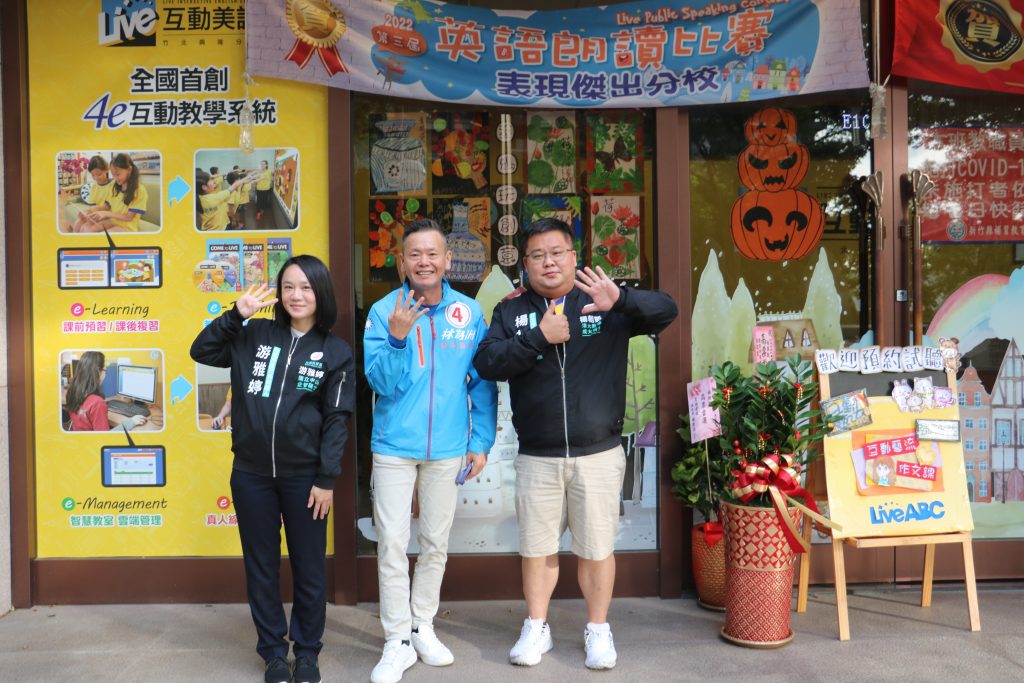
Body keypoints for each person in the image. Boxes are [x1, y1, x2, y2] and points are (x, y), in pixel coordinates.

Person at [473, 217, 677, 671]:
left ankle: (598, 629)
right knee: (537, 549)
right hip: (537, 455)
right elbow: (487, 362)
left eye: (556, 253)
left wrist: (621, 299)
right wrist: (537, 338)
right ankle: (536, 626)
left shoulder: (601, 299)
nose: (548, 262)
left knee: (597, 548)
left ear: (573, 257)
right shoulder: (512, 311)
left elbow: (667, 310)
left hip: (598, 452)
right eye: (537, 255)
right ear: (526, 264)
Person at [190, 254, 354, 683]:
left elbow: (336, 420)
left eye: (306, 287)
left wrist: (326, 479)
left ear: (321, 293)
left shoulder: (335, 351)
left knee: (309, 567)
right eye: (288, 287)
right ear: (279, 294)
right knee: (261, 566)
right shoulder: (255, 334)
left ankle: (308, 652)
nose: (296, 295)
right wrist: (236, 315)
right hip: (251, 475)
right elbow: (201, 350)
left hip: (305, 479)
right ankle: (274, 654)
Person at [363, 219, 497, 683]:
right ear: (401, 261)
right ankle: (396, 639)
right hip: (393, 447)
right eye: (414, 254)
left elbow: (482, 383)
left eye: (432, 253)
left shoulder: (468, 312)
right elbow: (378, 382)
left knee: (436, 543)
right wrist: (397, 338)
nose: (424, 262)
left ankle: (422, 625)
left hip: (448, 447)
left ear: (447, 260)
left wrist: (480, 442)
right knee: (392, 544)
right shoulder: (384, 311)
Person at [64, 351, 146, 432]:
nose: (105, 374)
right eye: (105, 371)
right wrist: (131, 422)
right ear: (98, 372)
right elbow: (105, 437)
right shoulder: (97, 403)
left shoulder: (72, 392)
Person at [75, 152, 149, 233]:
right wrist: (89, 211)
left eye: (118, 174)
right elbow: (107, 206)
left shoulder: (139, 190)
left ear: (129, 170)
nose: (115, 178)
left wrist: (105, 214)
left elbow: (129, 217)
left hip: (126, 227)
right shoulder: (114, 187)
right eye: (113, 175)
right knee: (86, 229)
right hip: (113, 222)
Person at [71, 155, 114, 232]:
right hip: (97, 214)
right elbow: (92, 204)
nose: (96, 178)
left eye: (99, 174)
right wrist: (87, 212)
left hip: (108, 215)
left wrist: (92, 210)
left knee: (86, 228)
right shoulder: (94, 186)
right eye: (93, 175)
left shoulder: (113, 184)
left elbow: (107, 206)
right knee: (79, 221)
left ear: (107, 170)